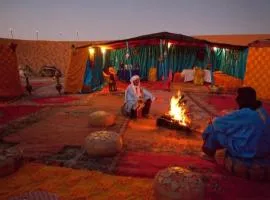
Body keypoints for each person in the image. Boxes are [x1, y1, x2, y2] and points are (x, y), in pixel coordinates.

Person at [202, 87, 270, 161]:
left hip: (247, 151)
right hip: (264, 151)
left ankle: (209, 153)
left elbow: (218, 123)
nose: (236, 99)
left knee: (213, 129)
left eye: (238, 97)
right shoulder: (263, 111)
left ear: (243, 99)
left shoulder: (244, 113)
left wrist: (213, 121)